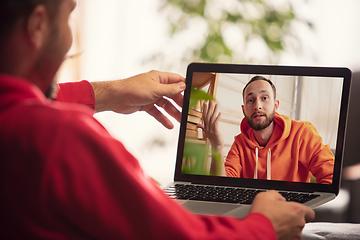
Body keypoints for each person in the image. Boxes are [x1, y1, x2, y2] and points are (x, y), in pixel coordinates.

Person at [0, 0, 315, 239]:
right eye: (69, 15)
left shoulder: (305, 135)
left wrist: (109, 92)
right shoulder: (58, 137)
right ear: (38, 25)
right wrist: (264, 228)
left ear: (276, 102)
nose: (257, 106)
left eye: (263, 99)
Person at [198, 75, 334, 184]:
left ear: (276, 105)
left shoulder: (302, 132)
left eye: (264, 98)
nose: (257, 105)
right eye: (250, 100)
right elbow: (222, 187)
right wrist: (217, 146)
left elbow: (330, 176)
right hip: (252, 213)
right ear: (244, 109)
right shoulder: (239, 144)